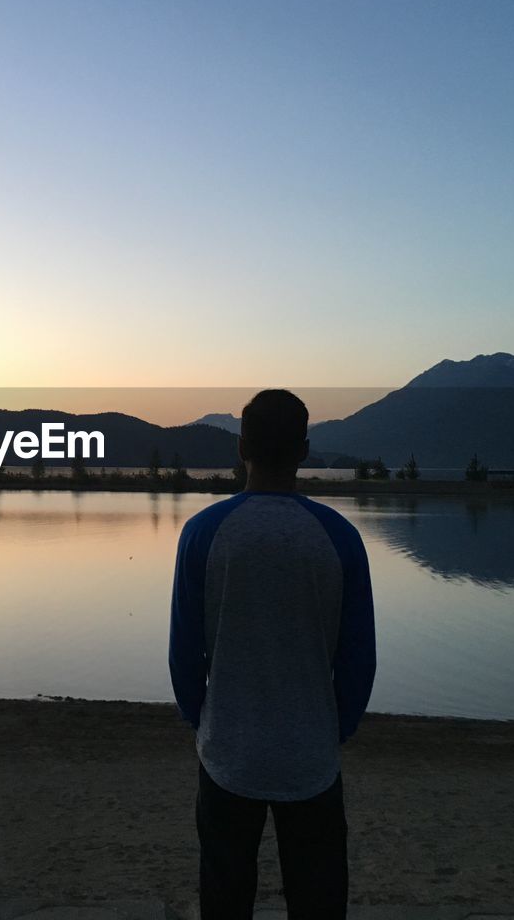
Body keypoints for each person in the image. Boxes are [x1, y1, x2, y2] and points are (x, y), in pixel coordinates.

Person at [168, 388, 376, 919]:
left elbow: (183, 653)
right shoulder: (340, 538)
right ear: (304, 451)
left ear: (242, 448)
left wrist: (205, 721)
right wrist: (335, 728)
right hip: (311, 757)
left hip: (227, 754)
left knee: (224, 899)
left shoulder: (203, 534)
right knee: (318, 901)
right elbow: (358, 658)